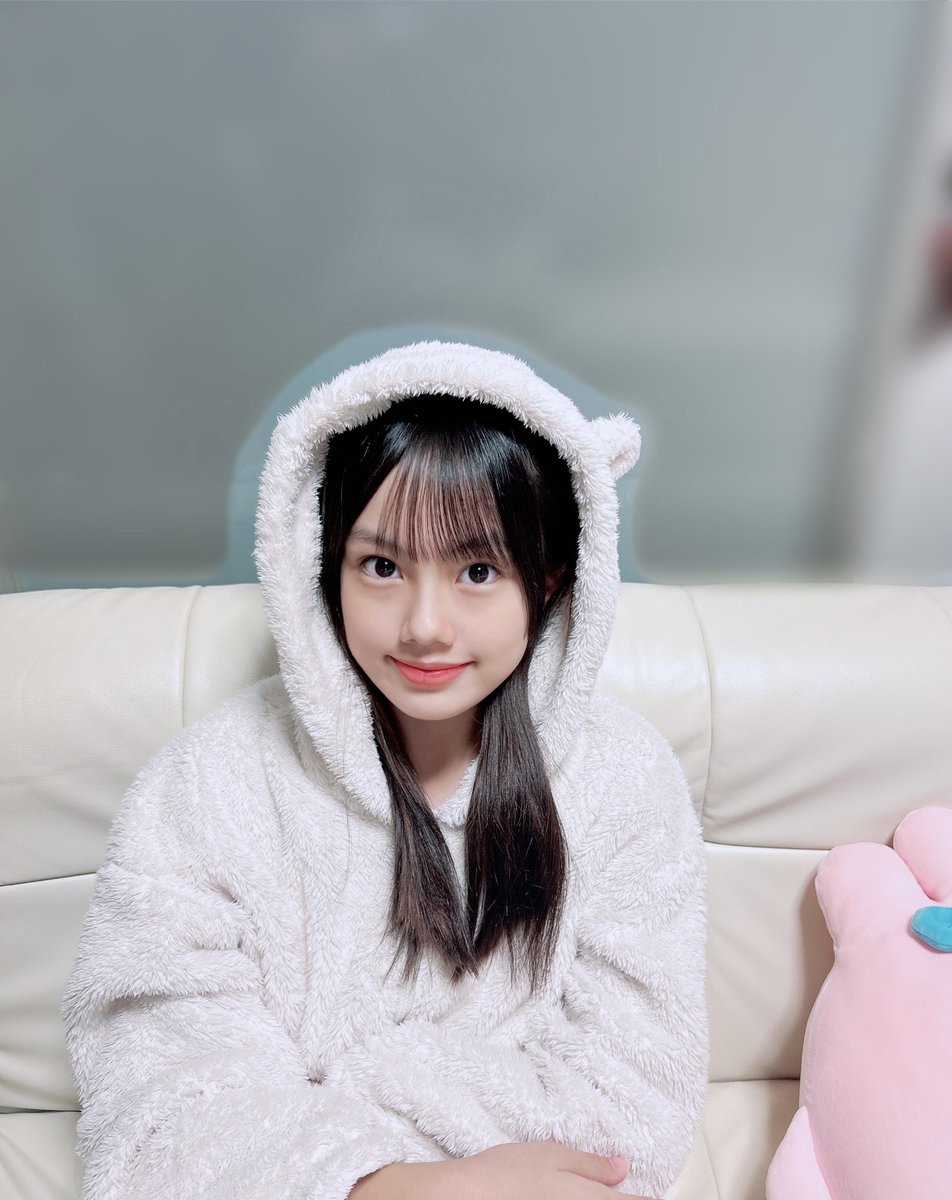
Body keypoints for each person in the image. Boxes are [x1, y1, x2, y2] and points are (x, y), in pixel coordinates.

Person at [62, 341, 708, 1200]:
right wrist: (393, 1185)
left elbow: (634, 1108)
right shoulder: (207, 784)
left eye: (478, 570)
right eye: (381, 566)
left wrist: (334, 1116)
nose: (425, 625)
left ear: (550, 580)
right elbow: (157, 1104)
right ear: (321, 568)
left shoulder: (624, 780)